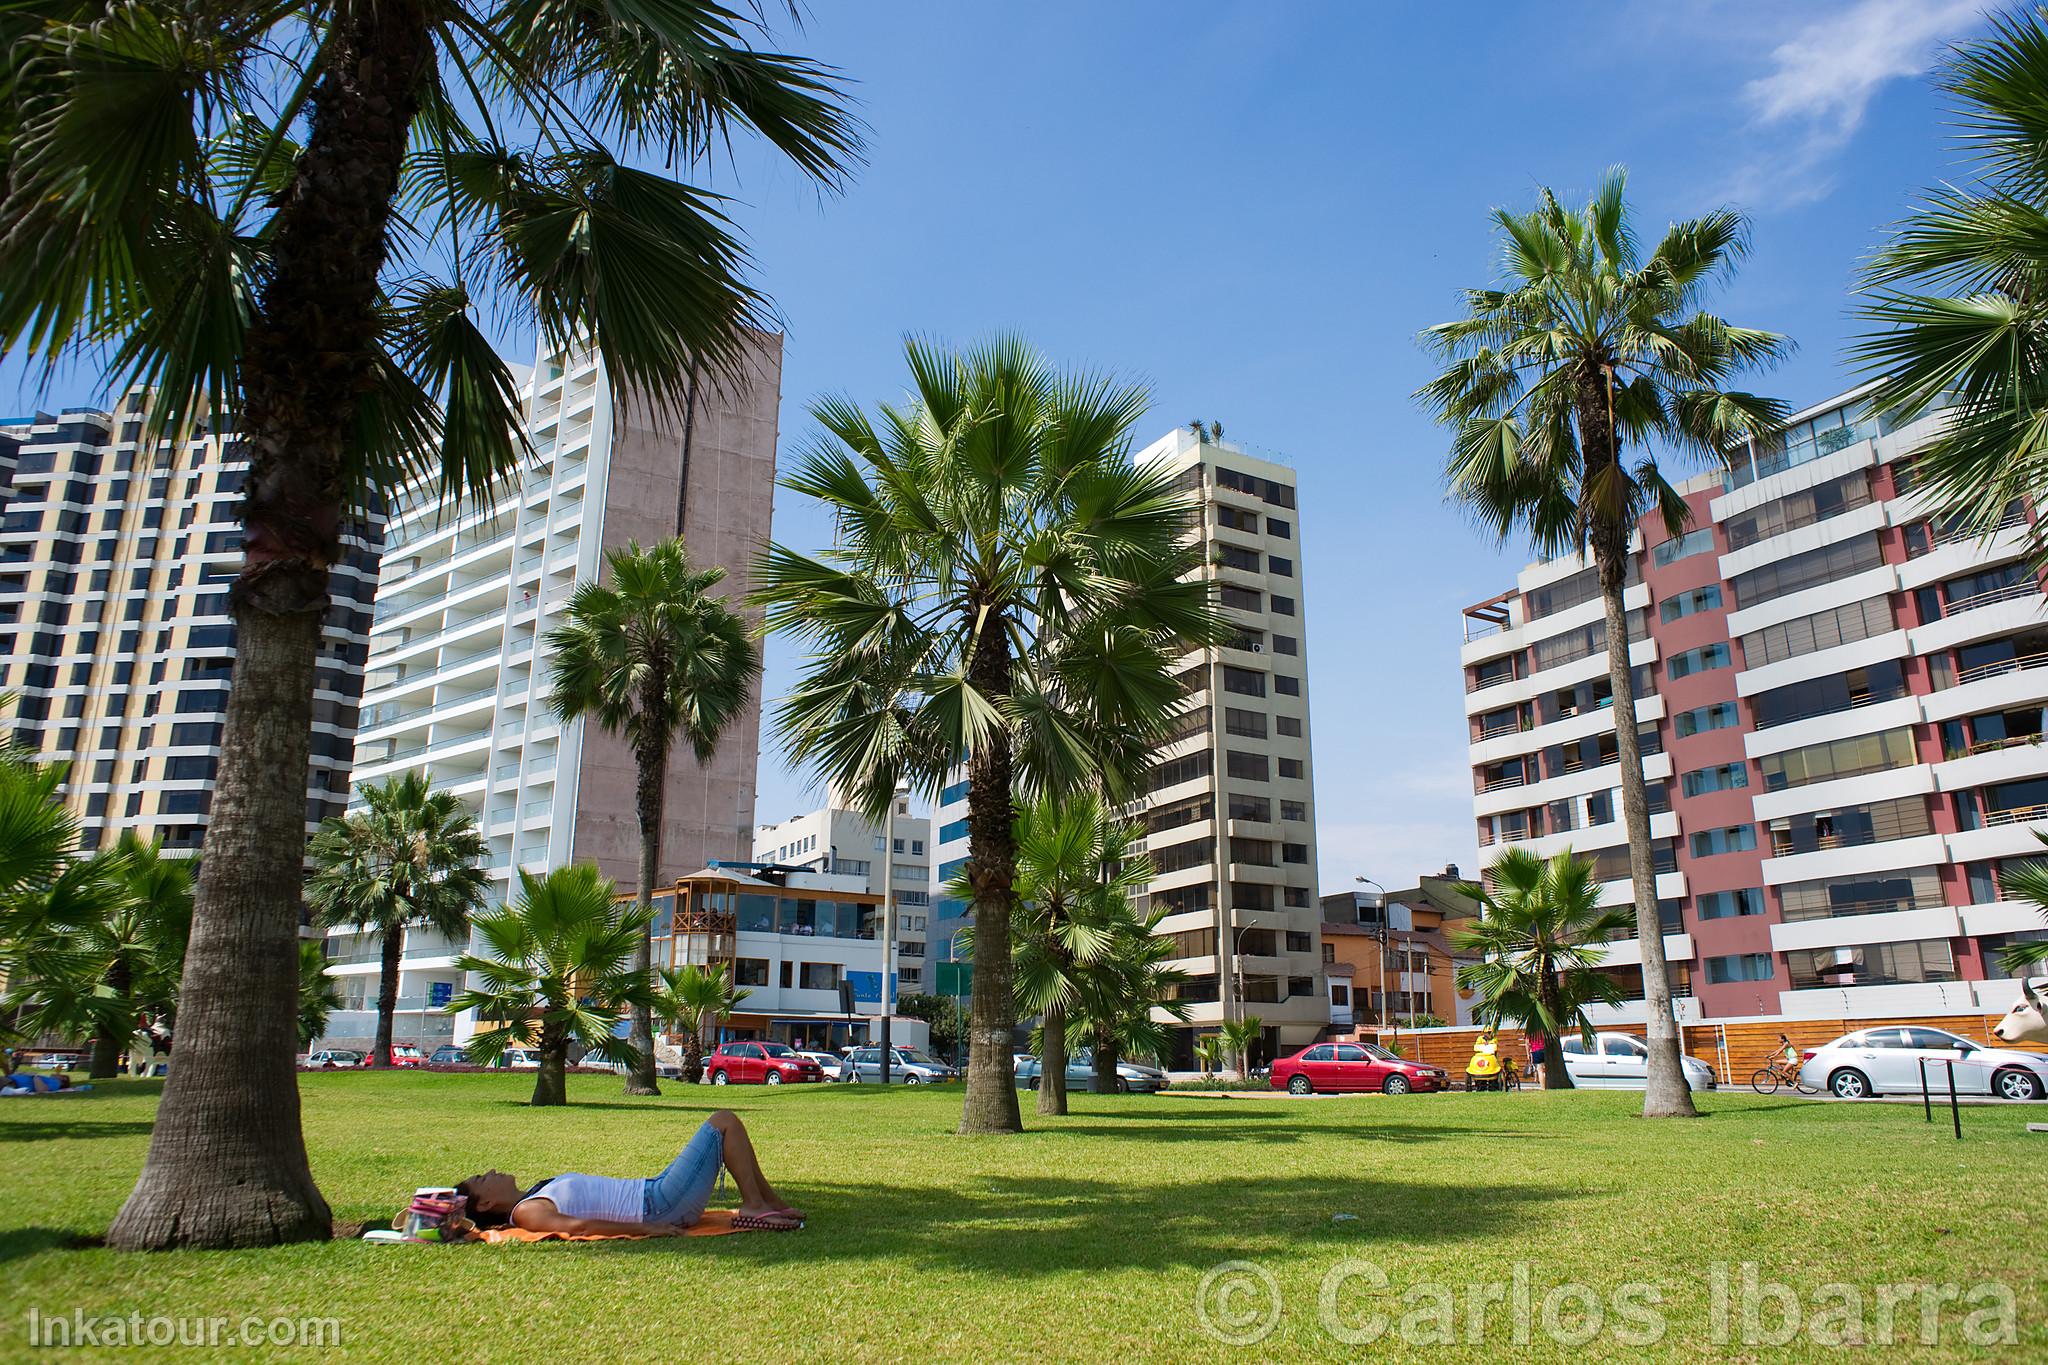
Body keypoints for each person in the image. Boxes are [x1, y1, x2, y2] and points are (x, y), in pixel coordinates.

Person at [456, 1110, 803, 1234]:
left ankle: (769, 1202)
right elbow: (579, 1227)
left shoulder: (532, 1194)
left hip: (656, 1192)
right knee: (723, 1121)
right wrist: (646, 1228)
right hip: (660, 1206)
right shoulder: (527, 1211)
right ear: (485, 1204)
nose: (491, 1171)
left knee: (726, 1127)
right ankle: (755, 1205)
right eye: (482, 1180)